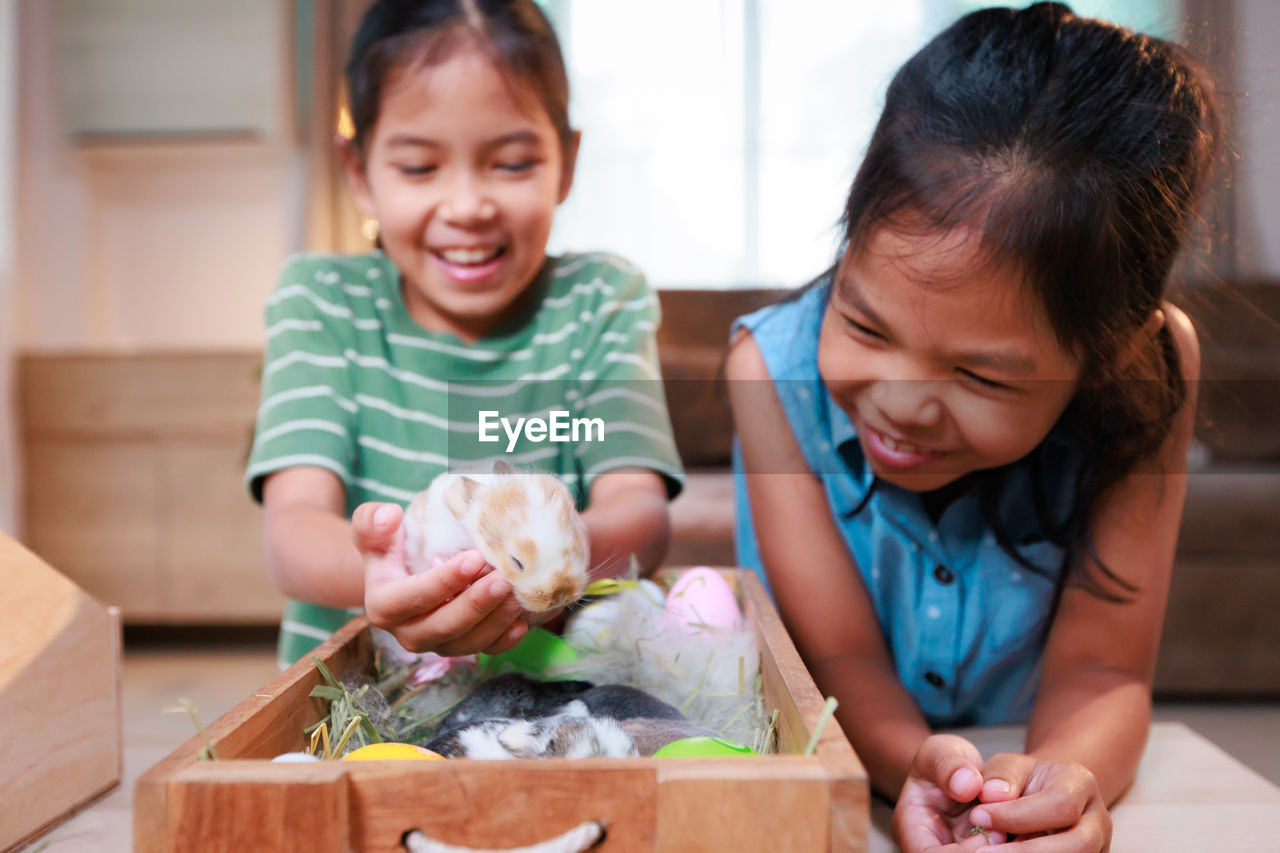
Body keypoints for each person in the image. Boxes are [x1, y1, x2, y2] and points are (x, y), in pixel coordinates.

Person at [726, 4, 1218, 850]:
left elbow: (1104, 667)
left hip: (1019, 738)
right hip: (851, 751)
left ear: (1110, 353)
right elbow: (840, 663)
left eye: (981, 373)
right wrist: (925, 764)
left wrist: (1057, 782)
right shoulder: (771, 370)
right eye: (867, 325)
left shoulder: (1157, 366)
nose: (903, 403)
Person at [246, 0, 683, 670]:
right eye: (420, 168)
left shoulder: (600, 299)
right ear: (359, 172)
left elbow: (640, 511)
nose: (467, 206)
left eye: (510, 163)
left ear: (565, 161)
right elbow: (294, 531)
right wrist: (389, 577)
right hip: (353, 701)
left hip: (548, 705)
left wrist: (539, 563)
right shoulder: (324, 303)